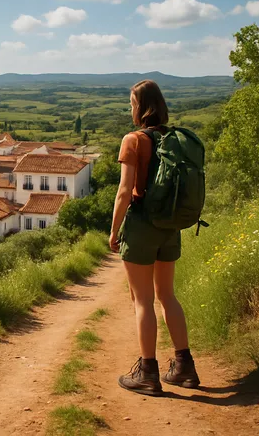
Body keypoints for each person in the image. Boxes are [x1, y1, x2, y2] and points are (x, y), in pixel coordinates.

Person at [109, 80, 200, 396]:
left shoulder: (133, 140)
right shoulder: (173, 138)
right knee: (167, 296)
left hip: (142, 224)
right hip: (169, 225)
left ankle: (148, 371)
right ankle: (184, 366)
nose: (130, 108)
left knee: (142, 300)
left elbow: (124, 191)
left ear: (142, 106)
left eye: (132, 103)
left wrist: (113, 230)